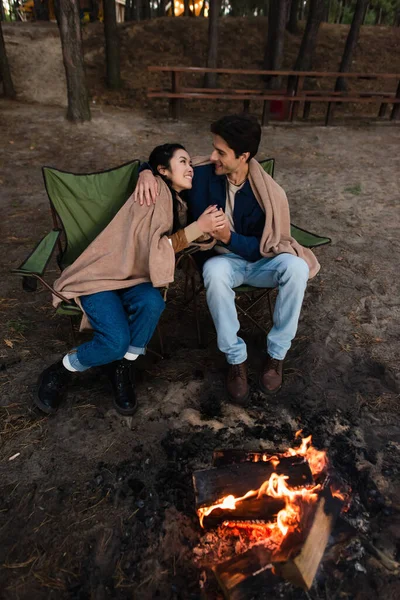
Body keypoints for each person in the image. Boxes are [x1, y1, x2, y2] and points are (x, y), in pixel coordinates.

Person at [135, 115, 320, 405]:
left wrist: (227, 236)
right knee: (215, 271)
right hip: (222, 262)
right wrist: (145, 172)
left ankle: (277, 355)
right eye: (214, 148)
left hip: (259, 261)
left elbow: (264, 246)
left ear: (243, 156)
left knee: (295, 267)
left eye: (221, 152)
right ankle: (236, 359)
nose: (212, 156)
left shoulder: (267, 194)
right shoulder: (204, 174)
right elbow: (165, 164)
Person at [35, 144, 225, 416]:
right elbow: (152, 249)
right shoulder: (155, 192)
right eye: (182, 162)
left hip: (135, 277)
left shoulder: (173, 197)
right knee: (114, 341)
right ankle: (61, 369)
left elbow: (204, 160)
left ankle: (121, 366)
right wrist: (198, 228)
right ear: (163, 170)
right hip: (103, 276)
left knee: (152, 304)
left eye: (189, 163)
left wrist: (144, 168)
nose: (190, 168)